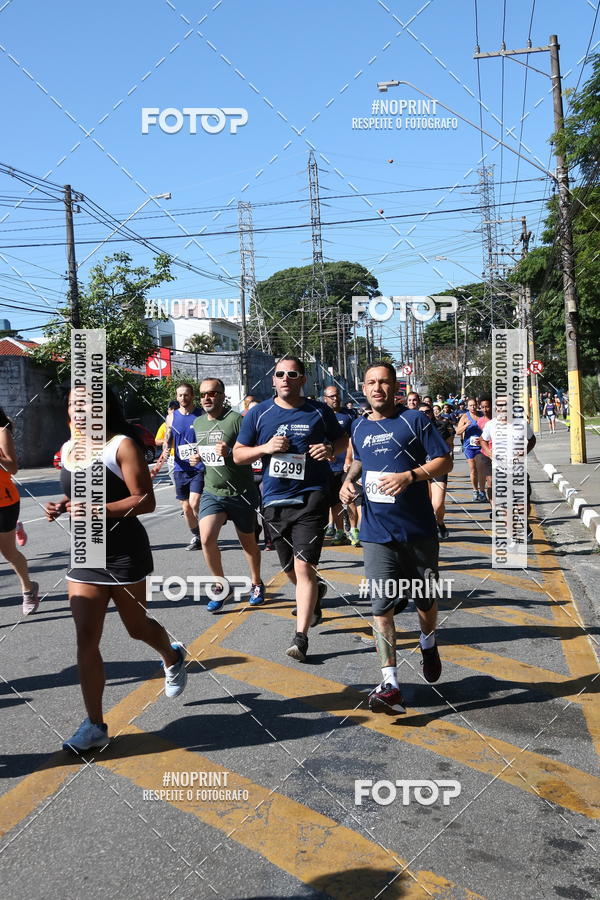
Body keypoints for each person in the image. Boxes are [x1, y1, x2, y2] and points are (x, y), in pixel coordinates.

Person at [46, 386, 186, 754]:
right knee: (86, 637)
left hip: (124, 552)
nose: (79, 411)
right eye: (73, 405)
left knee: (136, 628)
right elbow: (79, 491)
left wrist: (96, 510)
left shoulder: (120, 444)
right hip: (86, 552)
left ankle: (171, 656)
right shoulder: (69, 449)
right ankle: (95, 726)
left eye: (87, 405)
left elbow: (145, 499)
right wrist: (62, 505)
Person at [340, 363, 453, 713]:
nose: (378, 388)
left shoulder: (415, 421)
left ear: (395, 387)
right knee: (381, 608)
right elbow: (359, 462)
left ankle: (428, 640)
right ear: (364, 386)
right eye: (371, 382)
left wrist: (410, 476)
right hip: (376, 532)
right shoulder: (358, 426)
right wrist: (348, 482)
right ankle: (390, 683)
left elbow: (444, 461)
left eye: (384, 382)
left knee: (425, 601)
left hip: (417, 530)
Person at [234, 355, 348, 662]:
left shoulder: (318, 410)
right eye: (280, 374)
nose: (285, 378)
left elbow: (343, 441)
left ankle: (300, 638)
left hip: (312, 497)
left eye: (292, 374)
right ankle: (314, 595)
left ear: (302, 379)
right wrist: (265, 448)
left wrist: (330, 449)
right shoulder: (258, 413)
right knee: (289, 569)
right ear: (273, 380)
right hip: (274, 501)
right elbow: (238, 455)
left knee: (302, 566)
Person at [189, 378, 265, 611]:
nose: (206, 398)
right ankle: (221, 585)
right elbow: (205, 453)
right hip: (213, 491)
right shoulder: (199, 423)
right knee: (207, 538)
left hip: (241, 492)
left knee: (248, 543)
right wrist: (198, 458)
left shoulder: (237, 421)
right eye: (203, 395)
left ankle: (256, 582)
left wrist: (231, 451)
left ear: (223, 396)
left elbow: (253, 454)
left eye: (212, 393)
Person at [0, 407, 39, 614]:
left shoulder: (1, 432)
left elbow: (12, 468)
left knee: (8, 552)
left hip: (4, 502)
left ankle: (28, 589)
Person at [481, 398, 536, 540]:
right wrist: (489, 452)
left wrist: (525, 451)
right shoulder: (491, 425)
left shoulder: (522, 423)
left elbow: (532, 439)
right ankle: (512, 536)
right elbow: (483, 439)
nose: (501, 408)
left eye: (505, 405)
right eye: (498, 405)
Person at [164, 383, 205, 550]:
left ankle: (207, 531)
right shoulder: (172, 417)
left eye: (186, 395)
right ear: (176, 396)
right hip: (180, 468)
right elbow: (169, 438)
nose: (183, 398)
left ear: (192, 396)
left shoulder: (201, 415)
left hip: (198, 467)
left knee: (195, 503)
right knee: (186, 507)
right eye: (180, 395)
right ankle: (198, 536)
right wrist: (166, 449)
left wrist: (201, 455)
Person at [322, 386, 358, 546]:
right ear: (325, 398)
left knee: (349, 497)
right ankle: (340, 532)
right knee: (334, 502)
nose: (335, 399)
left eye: (337, 395)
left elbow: (351, 439)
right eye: (331, 396)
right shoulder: (321, 415)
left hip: (345, 465)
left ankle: (354, 530)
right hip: (328, 467)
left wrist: (348, 459)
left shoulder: (348, 415)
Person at [419, 403, 454, 540]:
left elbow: (449, 446)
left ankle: (440, 522)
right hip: (420, 469)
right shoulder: (411, 428)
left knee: (438, 504)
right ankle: (429, 528)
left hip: (437, 468)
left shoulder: (441, 426)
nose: (425, 415)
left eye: (427, 411)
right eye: (421, 412)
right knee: (425, 503)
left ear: (432, 413)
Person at [456, 397, 485, 501]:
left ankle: (482, 492)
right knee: (473, 469)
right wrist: (466, 425)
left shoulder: (482, 415)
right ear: (467, 407)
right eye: (471, 405)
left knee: (481, 469)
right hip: (469, 446)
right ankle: (475, 491)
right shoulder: (465, 416)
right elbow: (458, 432)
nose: (473, 407)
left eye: (474, 405)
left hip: (481, 445)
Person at [152, 400, 179, 484]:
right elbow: (156, 441)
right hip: (172, 459)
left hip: (185, 458)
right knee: (177, 486)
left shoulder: (184, 423)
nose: (173, 411)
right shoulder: (164, 425)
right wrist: (166, 440)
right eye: (171, 409)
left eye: (175, 408)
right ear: (168, 410)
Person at [474, 394, 493, 506]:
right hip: (486, 454)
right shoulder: (480, 421)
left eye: (487, 406)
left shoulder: (497, 419)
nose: (485, 409)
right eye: (482, 407)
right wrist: (479, 440)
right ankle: (494, 508)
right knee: (490, 481)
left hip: (501, 454)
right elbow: (482, 437)